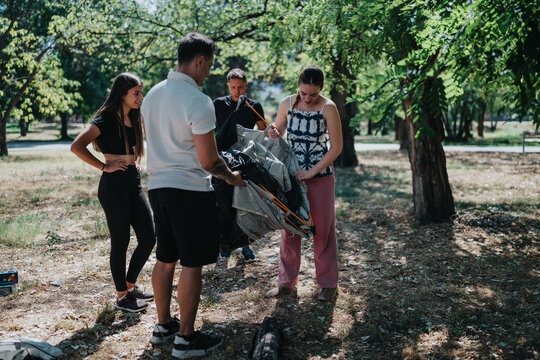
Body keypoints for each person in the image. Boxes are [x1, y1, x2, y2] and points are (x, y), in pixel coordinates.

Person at [142, 32, 245, 358]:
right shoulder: (198, 100)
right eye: (209, 66)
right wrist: (231, 177)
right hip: (189, 190)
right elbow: (209, 160)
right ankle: (186, 339)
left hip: (157, 187)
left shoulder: (152, 95)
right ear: (199, 60)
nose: (209, 73)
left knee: (164, 257)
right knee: (192, 264)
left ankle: (163, 326)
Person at [71, 72, 155, 312]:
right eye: (136, 93)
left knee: (149, 237)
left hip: (133, 180)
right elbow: (76, 146)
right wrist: (103, 165)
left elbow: (133, 148)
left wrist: (134, 160)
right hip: (113, 185)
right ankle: (121, 296)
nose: (141, 97)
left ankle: (130, 285)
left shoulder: (135, 117)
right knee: (121, 240)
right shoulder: (106, 119)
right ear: (122, 94)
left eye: (141, 92)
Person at [266, 66, 343, 302]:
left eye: (313, 94)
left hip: (320, 177)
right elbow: (279, 129)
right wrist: (273, 132)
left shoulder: (328, 107)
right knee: (290, 229)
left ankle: (328, 284)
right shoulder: (287, 103)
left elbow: (337, 147)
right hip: (292, 175)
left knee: (323, 230)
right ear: (297, 86)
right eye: (303, 93)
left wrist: (313, 171)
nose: (307, 98)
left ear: (321, 89)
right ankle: (286, 283)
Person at [213, 68, 267, 261]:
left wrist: (271, 131)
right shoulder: (218, 104)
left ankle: (245, 246)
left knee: (244, 204)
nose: (237, 91)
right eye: (233, 87)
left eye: (241, 87)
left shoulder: (254, 106)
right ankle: (224, 245)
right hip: (221, 160)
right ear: (228, 86)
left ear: (246, 86)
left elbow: (264, 131)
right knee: (223, 204)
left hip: (244, 159)